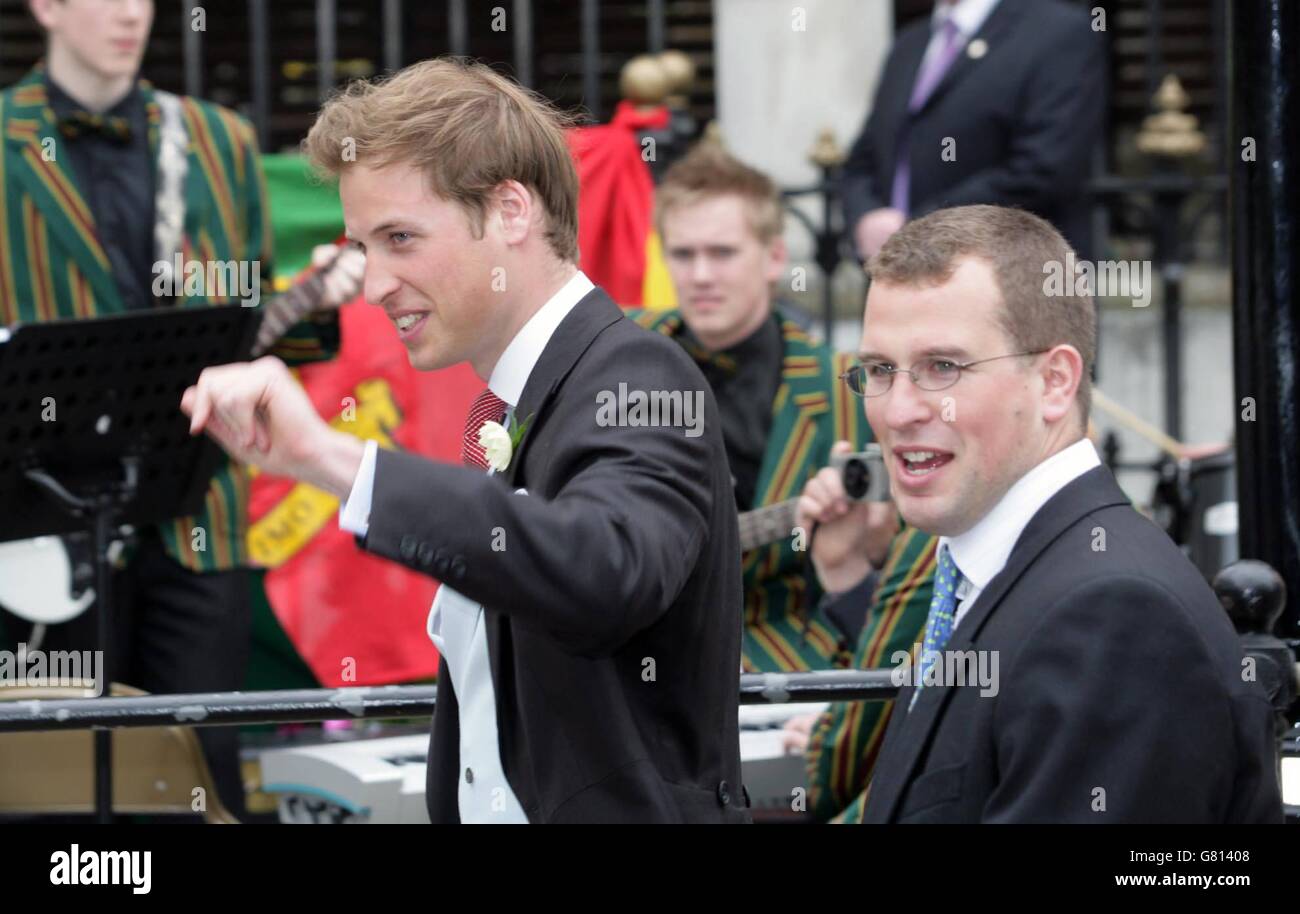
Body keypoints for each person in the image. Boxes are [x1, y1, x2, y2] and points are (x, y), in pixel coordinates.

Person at [180, 58, 749, 824]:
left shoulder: (638, 372)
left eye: (401, 238)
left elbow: (608, 571)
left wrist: (329, 459)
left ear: (511, 210)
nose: (374, 282)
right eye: (362, 247)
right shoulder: (514, 403)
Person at [800, 204, 1282, 823]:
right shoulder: (998, 569)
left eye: (943, 368)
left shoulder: (1113, 615)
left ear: (1055, 382)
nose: (898, 411)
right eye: (879, 370)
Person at [0, 0, 342, 819]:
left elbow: (250, 323)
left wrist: (319, 302)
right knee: (52, 780)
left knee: (202, 771)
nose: (131, 13)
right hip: (38, 534)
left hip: (197, 513)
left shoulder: (218, 139)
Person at [634, 143, 919, 672]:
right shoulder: (619, 355)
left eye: (721, 253)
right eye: (682, 254)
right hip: (629, 655)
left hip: (783, 659)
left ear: (774, 257)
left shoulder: (846, 389)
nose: (699, 276)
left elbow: (897, 555)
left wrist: (871, 548)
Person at [842, 0, 1105, 262]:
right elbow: (865, 158)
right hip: (898, 274)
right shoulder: (909, 43)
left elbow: (1044, 168)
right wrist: (866, 218)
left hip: (1008, 278)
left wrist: (917, 228)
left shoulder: (1059, 33)